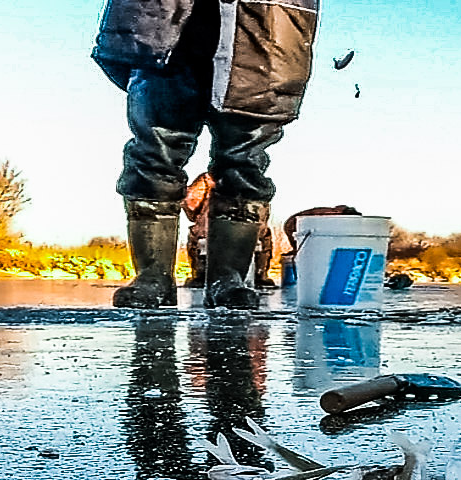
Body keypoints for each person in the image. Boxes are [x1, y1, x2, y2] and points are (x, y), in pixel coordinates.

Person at [94, 0, 320, 309]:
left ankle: (228, 279)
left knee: (245, 160)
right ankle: (152, 276)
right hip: (162, 25)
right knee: (154, 149)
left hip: (267, 28)